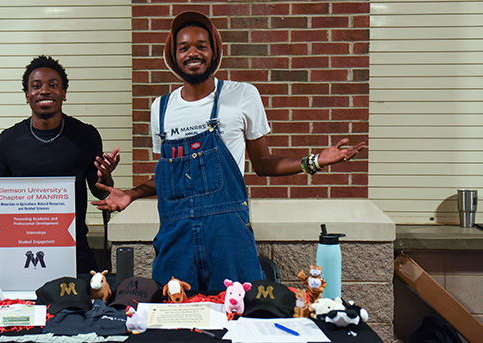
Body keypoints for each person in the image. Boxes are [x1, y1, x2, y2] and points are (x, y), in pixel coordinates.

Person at [92, 11, 365, 290]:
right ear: (173, 56)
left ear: (215, 52)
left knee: (238, 317)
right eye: (183, 47)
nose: (193, 53)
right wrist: (131, 193)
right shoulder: (160, 109)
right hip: (176, 240)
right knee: (174, 317)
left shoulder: (243, 95)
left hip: (227, 238)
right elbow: (171, 179)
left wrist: (315, 161)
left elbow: (264, 164)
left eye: (201, 45)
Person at [0, 55, 120, 274]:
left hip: (73, 248)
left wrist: (106, 177)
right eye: (36, 86)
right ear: (27, 95)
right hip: (21, 250)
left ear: (64, 93)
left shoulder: (85, 136)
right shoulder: (8, 141)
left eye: (53, 85)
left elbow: (100, 193)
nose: (44, 91)